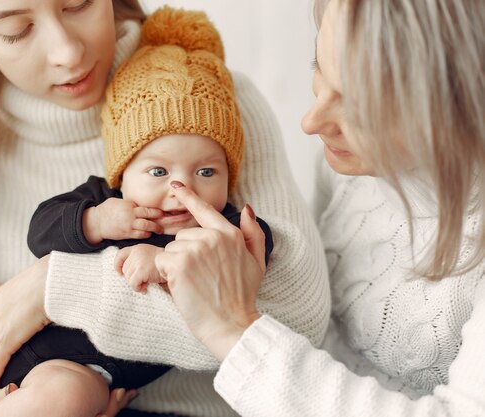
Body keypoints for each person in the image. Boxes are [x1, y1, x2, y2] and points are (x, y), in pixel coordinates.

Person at [0, 0, 330, 416]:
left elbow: (296, 317)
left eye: (79, 2)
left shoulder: (201, 102)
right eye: (16, 30)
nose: (68, 52)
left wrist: (57, 286)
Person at [152, 0, 485, 416]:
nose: (310, 121)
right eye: (319, 66)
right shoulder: (350, 164)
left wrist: (234, 329)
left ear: (460, 106)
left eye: (362, 106)